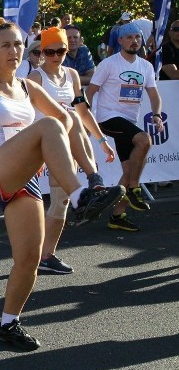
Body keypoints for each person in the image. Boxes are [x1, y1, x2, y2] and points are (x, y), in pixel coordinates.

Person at [0, 18, 124, 351]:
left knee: (29, 258)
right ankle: (80, 198)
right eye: (5, 45)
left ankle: (8, 323)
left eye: (18, 45)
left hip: (22, 177)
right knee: (49, 127)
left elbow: (68, 120)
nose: (14, 51)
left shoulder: (28, 87)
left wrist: (79, 161)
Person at [26, 27, 115, 274]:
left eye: (61, 50)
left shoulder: (73, 75)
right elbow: (26, 116)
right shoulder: (35, 78)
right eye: (50, 51)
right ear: (41, 51)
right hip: (46, 141)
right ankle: (94, 180)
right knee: (70, 116)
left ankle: (46, 256)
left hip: (67, 143)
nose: (55, 56)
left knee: (61, 201)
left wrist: (101, 140)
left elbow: (84, 111)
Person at [86, 22, 164, 232]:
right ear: (120, 40)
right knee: (144, 140)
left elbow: (154, 95)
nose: (134, 41)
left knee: (128, 171)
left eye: (137, 37)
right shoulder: (109, 64)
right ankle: (134, 190)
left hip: (128, 121)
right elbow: (91, 91)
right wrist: (84, 119)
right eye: (129, 37)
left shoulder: (145, 66)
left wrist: (156, 114)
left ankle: (117, 215)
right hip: (108, 118)